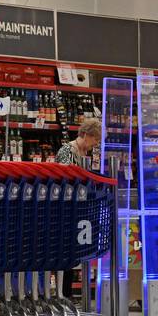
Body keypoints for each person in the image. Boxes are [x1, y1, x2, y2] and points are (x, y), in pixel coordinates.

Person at [55, 117, 102, 301]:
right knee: (64, 250)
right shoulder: (67, 150)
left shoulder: (84, 155)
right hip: (65, 209)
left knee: (73, 251)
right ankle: (63, 293)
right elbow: (65, 177)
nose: (96, 143)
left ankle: (66, 293)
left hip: (79, 209)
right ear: (86, 134)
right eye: (95, 139)